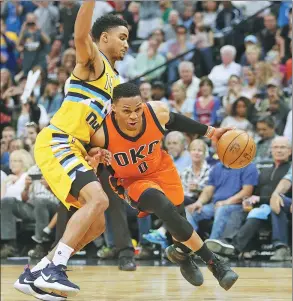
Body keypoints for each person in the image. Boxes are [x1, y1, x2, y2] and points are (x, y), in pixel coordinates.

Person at [14, 2, 129, 300]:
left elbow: (97, 133)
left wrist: (99, 151)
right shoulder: (95, 62)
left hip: (75, 147)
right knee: (98, 199)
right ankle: (56, 267)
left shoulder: (115, 83)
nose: (126, 43)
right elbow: (80, 36)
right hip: (58, 140)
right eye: (122, 36)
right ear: (103, 38)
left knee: (98, 220)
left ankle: (39, 271)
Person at [88, 82, 239, 291]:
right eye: (126, 111)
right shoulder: (100, 133)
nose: (133, 116)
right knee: (162, 206)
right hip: (131, 181)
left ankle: (181, 254)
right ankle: (215, 264)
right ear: (113, 107)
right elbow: (88, 156)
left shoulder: (155, 112)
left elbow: (176, 121)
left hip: (161, 169)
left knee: (178, 217)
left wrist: (211, 132)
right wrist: (93, 158)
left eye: (137, 109)